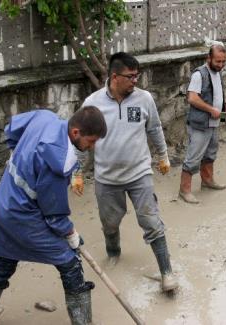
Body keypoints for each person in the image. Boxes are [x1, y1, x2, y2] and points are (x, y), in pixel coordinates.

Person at [0, 107, 107, 325]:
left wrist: (22, 160)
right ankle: (83, 322)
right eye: (91, 142)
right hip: (22, 214)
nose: (91, 148)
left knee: (7, 257)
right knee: (70, 261)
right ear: (76, 133)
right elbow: (55, 216)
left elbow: (11, 130)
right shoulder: (56, 161)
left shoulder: (45, 117)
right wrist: (72, 234)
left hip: (4, 200)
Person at [79, 52, 178, 292]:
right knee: (110, 224)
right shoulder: (92, 103)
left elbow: (154, 128)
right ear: (115, 77)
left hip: (139, 173)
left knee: (152, 222)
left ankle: (166, 273)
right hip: (107, 178)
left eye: (137, 76)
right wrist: (76, 172)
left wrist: (163, 156)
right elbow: (80, 140)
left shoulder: (144, 99)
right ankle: (113, 254)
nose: (136, 80)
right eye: (131, 76)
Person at [178, 43, 226, 204]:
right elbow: (192, 98)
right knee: (193, 157)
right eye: (218, 61)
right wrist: (211, 110)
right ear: (208, 58)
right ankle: (184, 190)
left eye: (223, 61)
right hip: (200, 123)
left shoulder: (217, 73)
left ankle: (207, 181)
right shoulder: (199, 74)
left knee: (210, 153)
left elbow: (218, 93)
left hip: (214, 122)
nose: (221, 65)